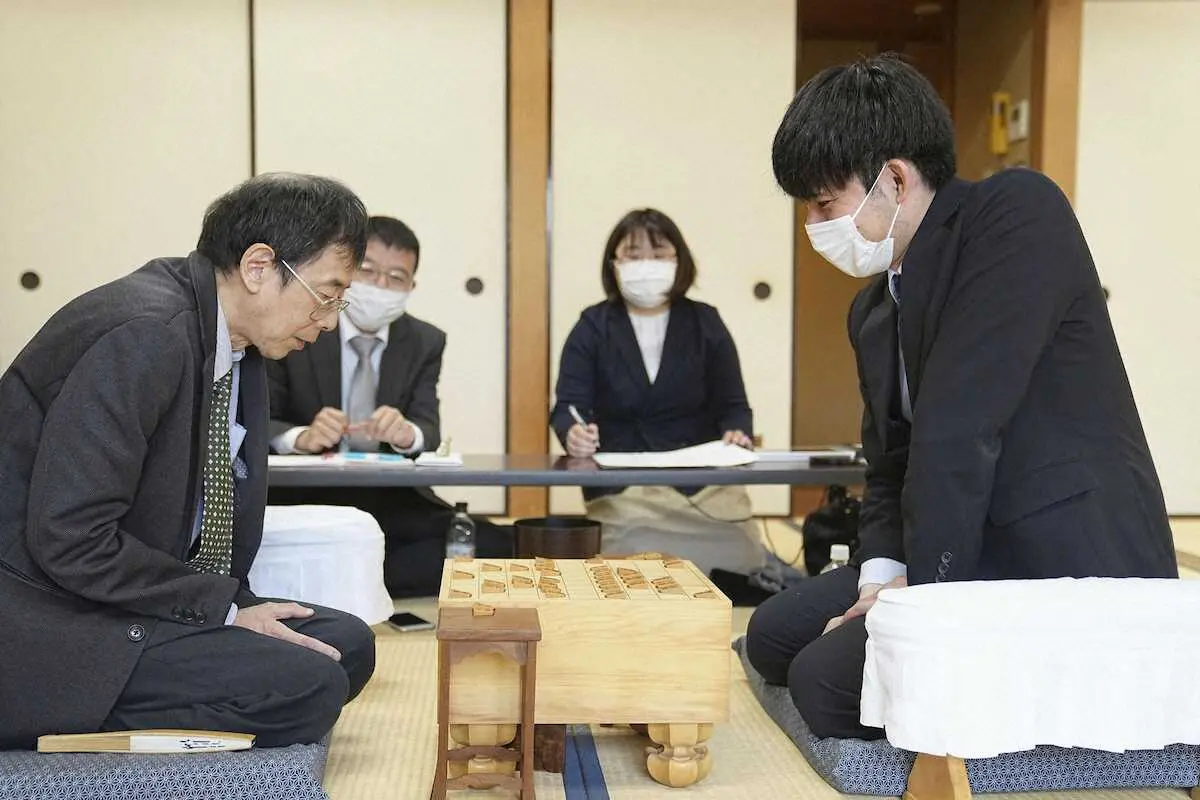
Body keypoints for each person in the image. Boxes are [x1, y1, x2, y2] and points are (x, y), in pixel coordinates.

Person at [745, 54, 1177, 740]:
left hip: (1055, 554)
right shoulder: (874, 309)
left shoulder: (1015, 215)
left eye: (824, 204)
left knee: (823, 684)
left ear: (893, 177)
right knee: (771, 636)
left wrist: (920, 601)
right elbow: (887, 467)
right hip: (956, 539)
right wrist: (875, 582)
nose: (815, 224)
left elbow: (958, 430)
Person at [0, 173, 377, 750]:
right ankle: (56, 716)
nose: (328, 321)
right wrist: (221, 610)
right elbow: (70, 538)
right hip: (51, 617)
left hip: (132, 592)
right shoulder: (146, 333)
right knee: (307, 686)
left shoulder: (236, 338)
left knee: (346, 643)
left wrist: (227, 606)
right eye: (327, 295)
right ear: (258, 267)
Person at [266, 215, 513, 597]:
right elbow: (258, 420)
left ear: (411, 287)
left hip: (388, 495)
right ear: (346, 272)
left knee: (496, 543)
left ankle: (343, 578)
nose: (381, 286)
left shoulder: (424, 341)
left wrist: (406, 433)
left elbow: (428, 429)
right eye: (368, 271)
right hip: (307, 493)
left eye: (396, 278)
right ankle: (354, 574)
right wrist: (301, 437)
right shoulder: (302, 323)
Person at [550, 208, 761, 574]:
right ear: (613, 263)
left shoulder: (705, 322)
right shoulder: (592, 325)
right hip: (623, 486)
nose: (646, 265)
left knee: (742, 562)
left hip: (700, 484)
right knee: (631, 566)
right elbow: (568, 406)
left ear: (679, 261)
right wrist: (574, 434)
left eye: (659, 255)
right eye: (633, 255)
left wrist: (736, 431)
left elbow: (735, 406)